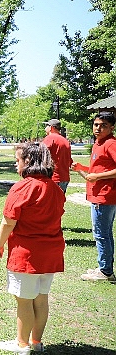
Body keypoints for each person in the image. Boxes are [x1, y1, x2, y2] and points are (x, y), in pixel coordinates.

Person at [0, 142, 66, 354]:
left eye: (18, 160)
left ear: (28, 161)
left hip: (26, 254)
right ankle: (36, 341)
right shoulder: (54, 187)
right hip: (50, 253)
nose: (16, 164)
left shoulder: (22, 187)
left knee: (24, 300)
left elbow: (8, 221)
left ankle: (22, 344)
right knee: (41, 299)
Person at [72, 112, 116, 283]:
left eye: (103, 125)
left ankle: (105, 272)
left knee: (101, 234)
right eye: (96, 124)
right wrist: (82, 167)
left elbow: (101, 173)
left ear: (112, 127)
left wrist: (97, 178)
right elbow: (99, 168)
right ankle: (105, 268)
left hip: (104, 196)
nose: (98, 128)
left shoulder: (110, 143)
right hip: (99, 195)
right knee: (105, 233)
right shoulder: (99, 144)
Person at [41, 119, 73, 193]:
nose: (45, 128)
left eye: (47, 125)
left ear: (51, 127)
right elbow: (69, 160)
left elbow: (41, 154)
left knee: (49, 203)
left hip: (53, 178)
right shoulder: (65, 141)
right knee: (59, 202)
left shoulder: (50, 138)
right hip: (64, 178)